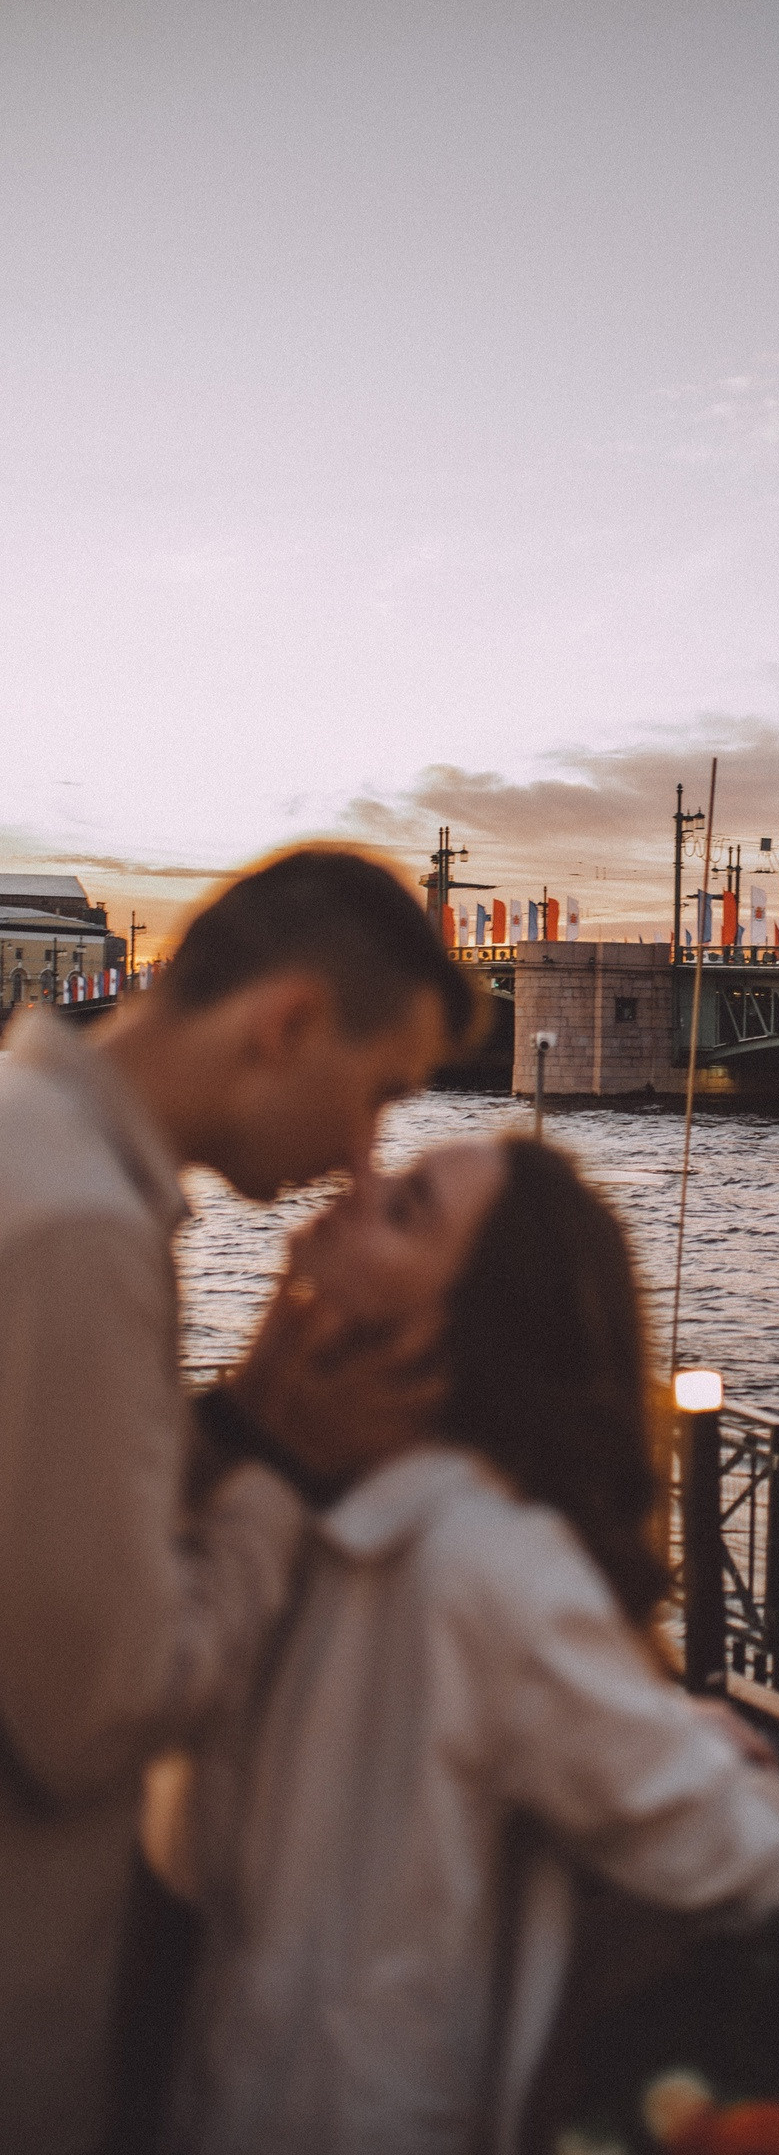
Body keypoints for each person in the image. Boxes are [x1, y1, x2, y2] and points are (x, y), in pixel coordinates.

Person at [163, 1136, 779, 2155]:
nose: (359, 1181)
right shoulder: (316, 1503)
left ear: (455, 1333)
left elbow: (696, 1820)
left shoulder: (473, 1559)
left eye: (407, 1208)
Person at [0, 848, 474, 2155]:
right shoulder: (81, 1232)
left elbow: (48, 1531)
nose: (362, 1158)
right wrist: (285, 1468)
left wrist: (239, 1421)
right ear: (288, 1023)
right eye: (380, 1096)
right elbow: (98, 1714)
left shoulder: (26, 1145)